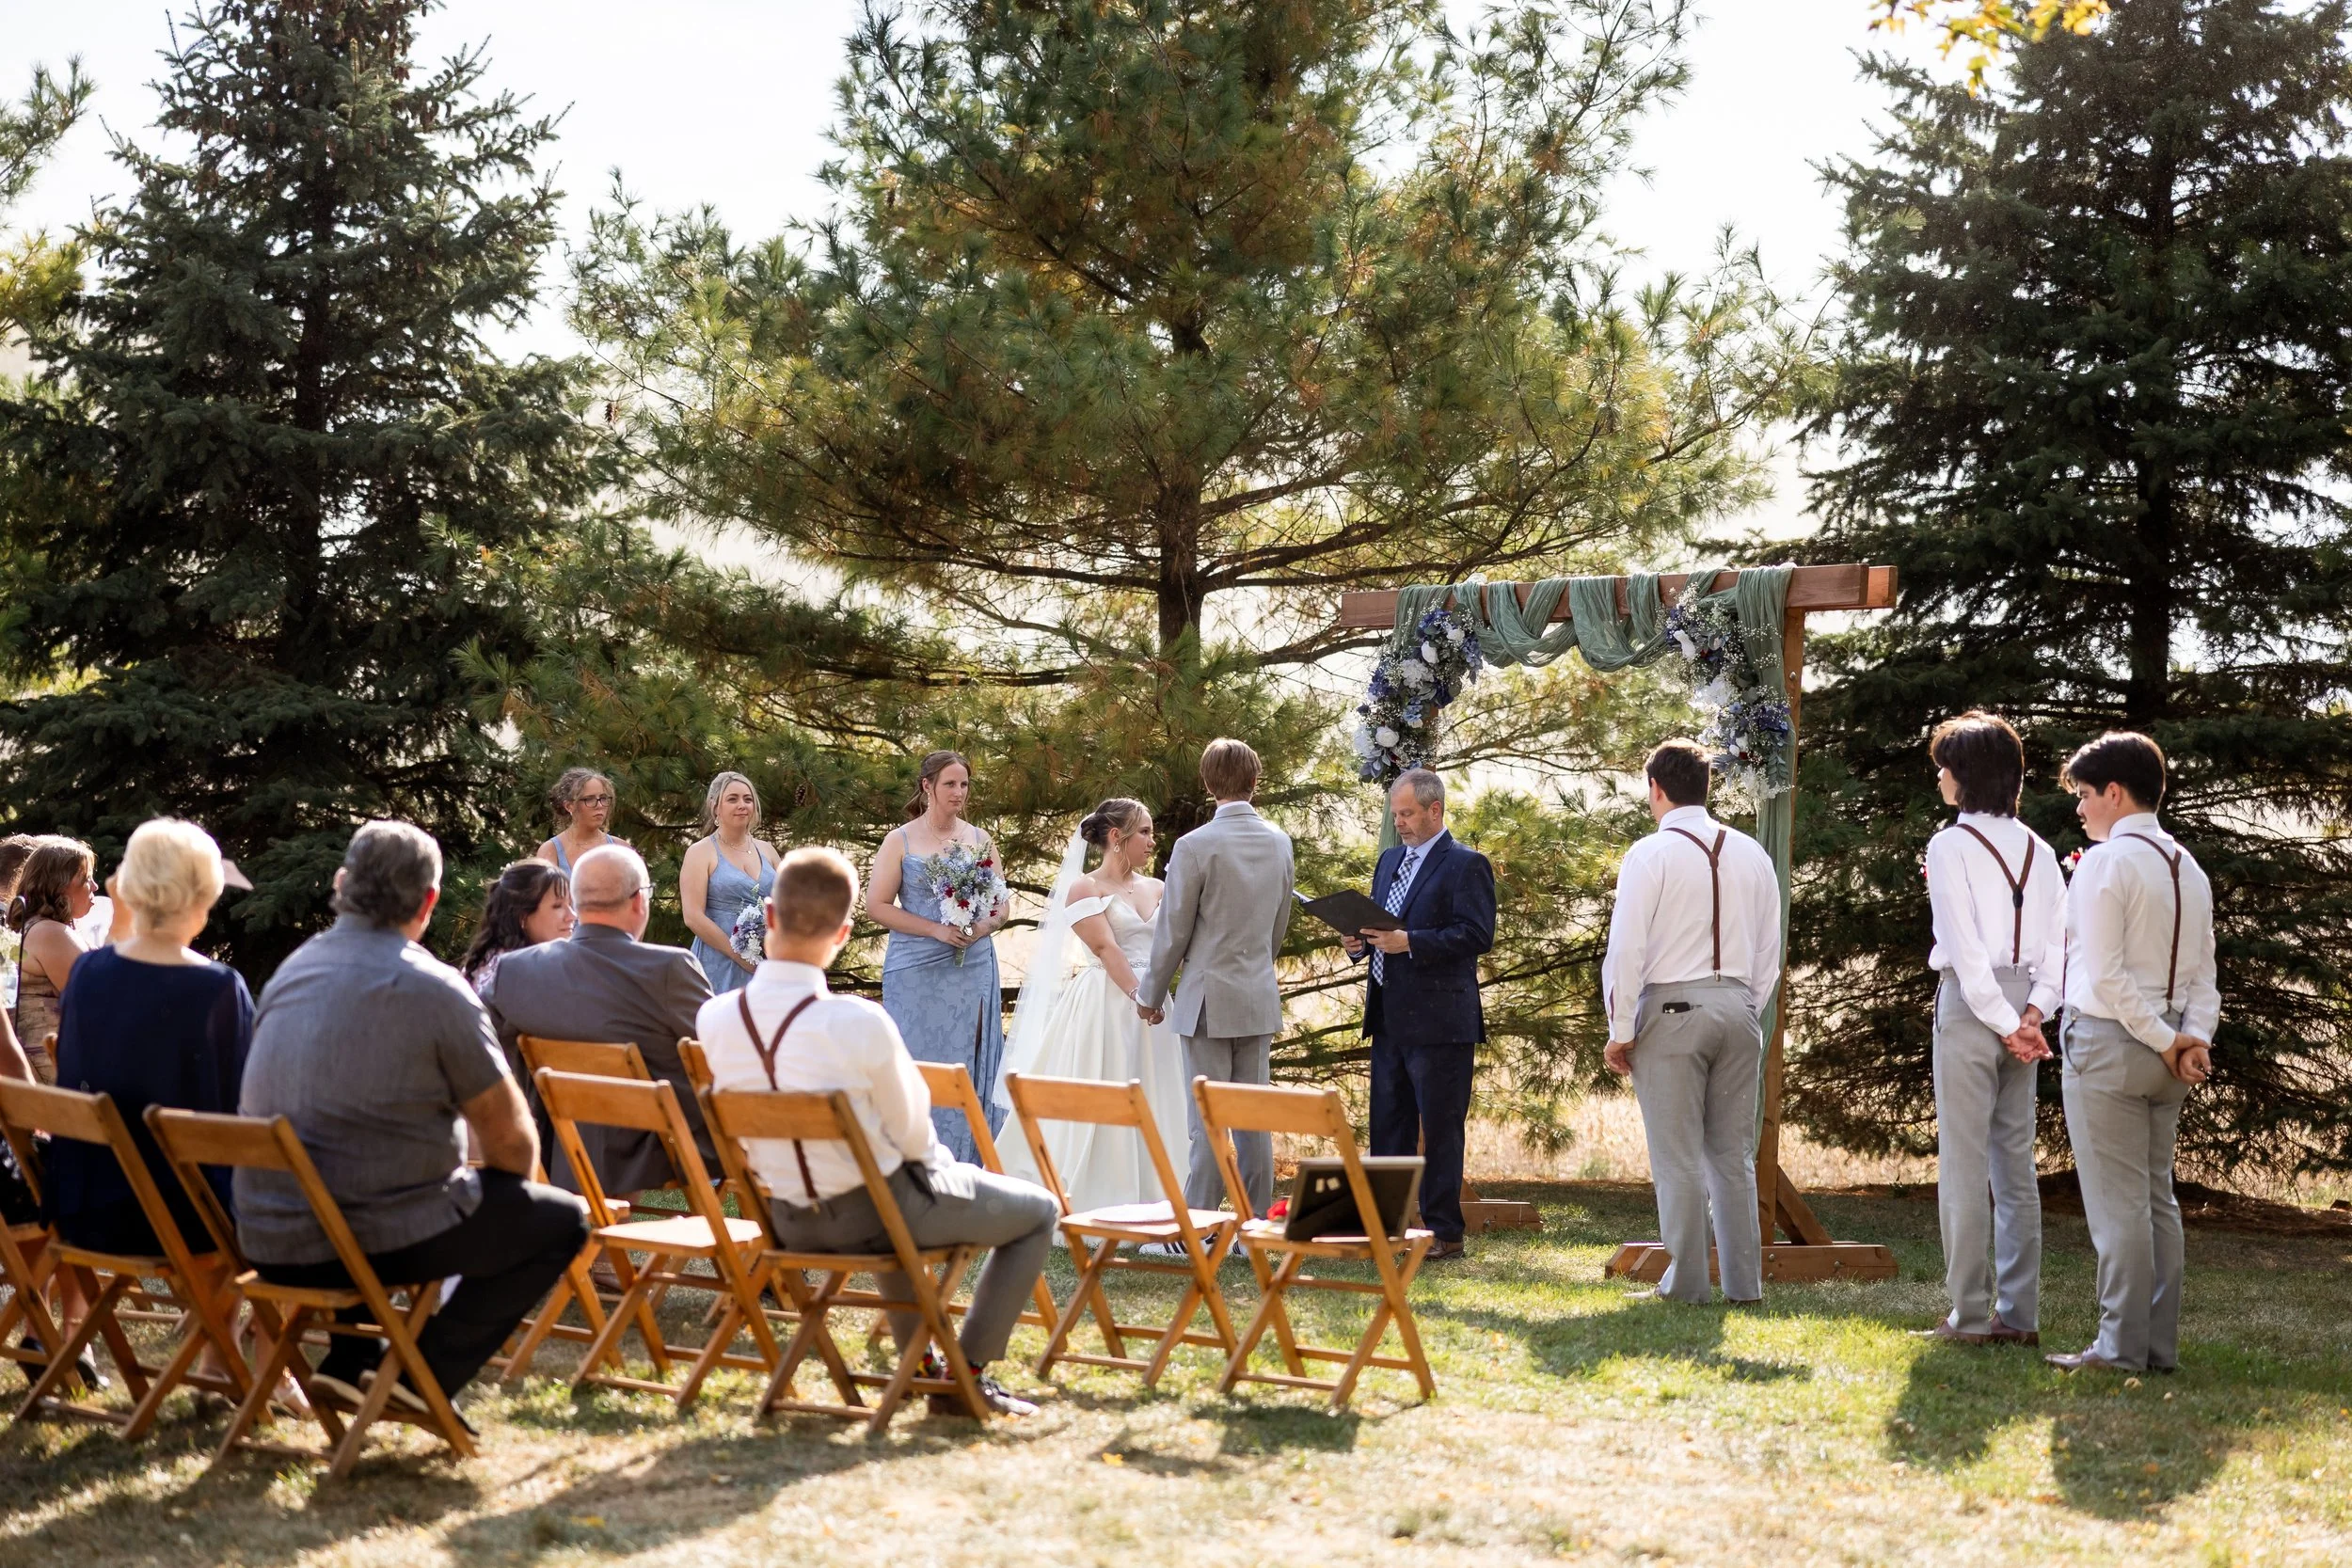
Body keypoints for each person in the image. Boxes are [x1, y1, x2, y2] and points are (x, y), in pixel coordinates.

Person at [236, 821, 589, 1411]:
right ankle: (417, 1378)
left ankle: (350, 1362)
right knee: (559, 1220)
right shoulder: (434, 988)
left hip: (265, 1231)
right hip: (367, 1239)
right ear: (427, 902)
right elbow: (513, 1148)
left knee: (373, 1180)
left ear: (343, 884)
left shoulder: (291, 972)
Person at [698, 845, 1057, 1418]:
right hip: (871, 1218)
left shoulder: (714, 1018)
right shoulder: (857, 1022)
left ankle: (921, 1364)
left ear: (768, 918)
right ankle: (967, 1373)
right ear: (843, 932)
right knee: (1035, 1211)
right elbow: (916, 1140)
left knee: (897, 1195)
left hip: (784, 1220)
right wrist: (955, 1178)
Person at [49, 819, 252, 1385]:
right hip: (187, 1220)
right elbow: (242, 1108)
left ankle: (222, 1357)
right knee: (241, 1186)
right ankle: (218, 1358)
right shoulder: (217, 989)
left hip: (86, 1207)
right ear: (202, 893)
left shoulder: (88, 973)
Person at [2046, 732, 2218, 1375]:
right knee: (2155, 1201)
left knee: (2119, 1207)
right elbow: (2205, 976)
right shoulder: (2189, 867)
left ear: (2115, 792)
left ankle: (2119, 1347)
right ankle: (2155, 1345)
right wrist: (2190, 1037)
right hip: (2167, 1048)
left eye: (2085, 795)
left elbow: (2108, 977)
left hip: (2115, 1042)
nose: (2080, 809)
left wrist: (2169, 1038)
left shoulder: (2106, 863)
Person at [1600, 740, 1782, 1306]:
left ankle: (1686, 1282)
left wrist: (1620, 1028)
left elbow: (1625, 949)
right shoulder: (1753, 852)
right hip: (1738, 1009)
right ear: (1708, 787)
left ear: (1656, 789)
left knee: (1677, 1154)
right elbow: (1770, 952)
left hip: (1672, 1012)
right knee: (1731, 1155)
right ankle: (1745, 1284)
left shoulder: (1648, 854)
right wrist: (1746, 1005)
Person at [1915, 713, 2064, 1348]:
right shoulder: (2043, 848)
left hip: (1976, 1011)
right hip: (2026, 1008)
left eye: (1946, 764)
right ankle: (2020, 1314)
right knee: (2014, 1168)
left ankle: (1970, 1315)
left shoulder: (1949, 845)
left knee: (1965, 1164)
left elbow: (1965, 950)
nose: (1941, 775)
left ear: (1967, 774)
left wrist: (2009, 1022)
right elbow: (2061, 947)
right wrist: (2035, 1015)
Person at [484, 845, 716, 1194]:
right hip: (662, 1149)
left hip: (560, 1144)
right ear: (639, 901)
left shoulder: (514, 972)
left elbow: (490, 1056)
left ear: (576, 905)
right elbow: (717, 1056)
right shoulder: (669, 970)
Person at [996, 799, 1191, 1211]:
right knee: (1109, 1083)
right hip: (1107, 1002)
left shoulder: (1158, 888)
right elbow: (1104, 947)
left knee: (1157, 1090)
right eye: (1144, 832)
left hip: (1156, 1005)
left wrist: (1157, 996)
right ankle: (1099, 1189)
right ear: (1117, 838)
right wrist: (1141, 996)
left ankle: (1162, 1191)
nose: (1152, 841)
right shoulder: (1086, 888)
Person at [1340, 769, 1495, 1262]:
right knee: (1388, 1125)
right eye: (1395, 814)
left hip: (1440, 1021)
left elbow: (1476, 935)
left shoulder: (1466, 865)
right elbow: (1379, 929)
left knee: (1442, 1127)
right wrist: (1357, 944)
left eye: (1407, 814)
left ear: (1435, 810)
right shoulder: (1388, 861)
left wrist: (1412, 943)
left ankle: (1445, 1232)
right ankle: (1383, 1227)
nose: (1399, 823)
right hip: (1387, 1015)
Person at [1138, 738, 1295, 1215]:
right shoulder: (1279, 841)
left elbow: (1174, 930)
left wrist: (1151, 993)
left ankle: (1200, 1224)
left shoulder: (1194, 845)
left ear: (1208, 784)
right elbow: (1278, 924)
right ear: (1255, 781)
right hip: (1257, 994)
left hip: (1207, 998)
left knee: (1206, 1118)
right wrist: (1255, 969)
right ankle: (1253, 1226)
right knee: (1254, 1119)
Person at [868, 751, 1010, 1162]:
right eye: (950, 784)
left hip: (973, 967)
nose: (959, 792)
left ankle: (971, 1161)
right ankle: (911, 1156)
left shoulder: (979, 839)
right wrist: (936, 929)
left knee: (967, 1061)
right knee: (916, 1060)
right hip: (916, 968)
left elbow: (1002, 905)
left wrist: (981, 927)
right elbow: (877, 905)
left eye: (964, 784)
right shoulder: (901, 840)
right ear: (927, 786)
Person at [679, 770, 780, 995]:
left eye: (747, 799)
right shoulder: (701, 852)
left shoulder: (768, 850)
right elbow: (693, 917)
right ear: (716, 807)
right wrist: (741, 957)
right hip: (719, 958)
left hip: (766, 963)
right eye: (732, 799)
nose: (742, 805)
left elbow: (787, 904)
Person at [8, 837, 99, 1084]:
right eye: (86, 878)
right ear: (60, 887)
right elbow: (101, 1006)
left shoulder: (31, 928)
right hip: (61, 1082)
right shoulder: (50, 934)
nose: (95, 886)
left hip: (46, 1076)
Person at [458, 859, 576, 1000]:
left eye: (570, 904)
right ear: (523, 917)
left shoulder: (500, 960)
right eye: (558, 906)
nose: (572, 916)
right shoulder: (512, 972)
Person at [534, 767, 630, 876]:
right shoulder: (551, 851)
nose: (599, 805)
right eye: (589, 799)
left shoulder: (621, 848)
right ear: (569, 806)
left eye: (603, 798)